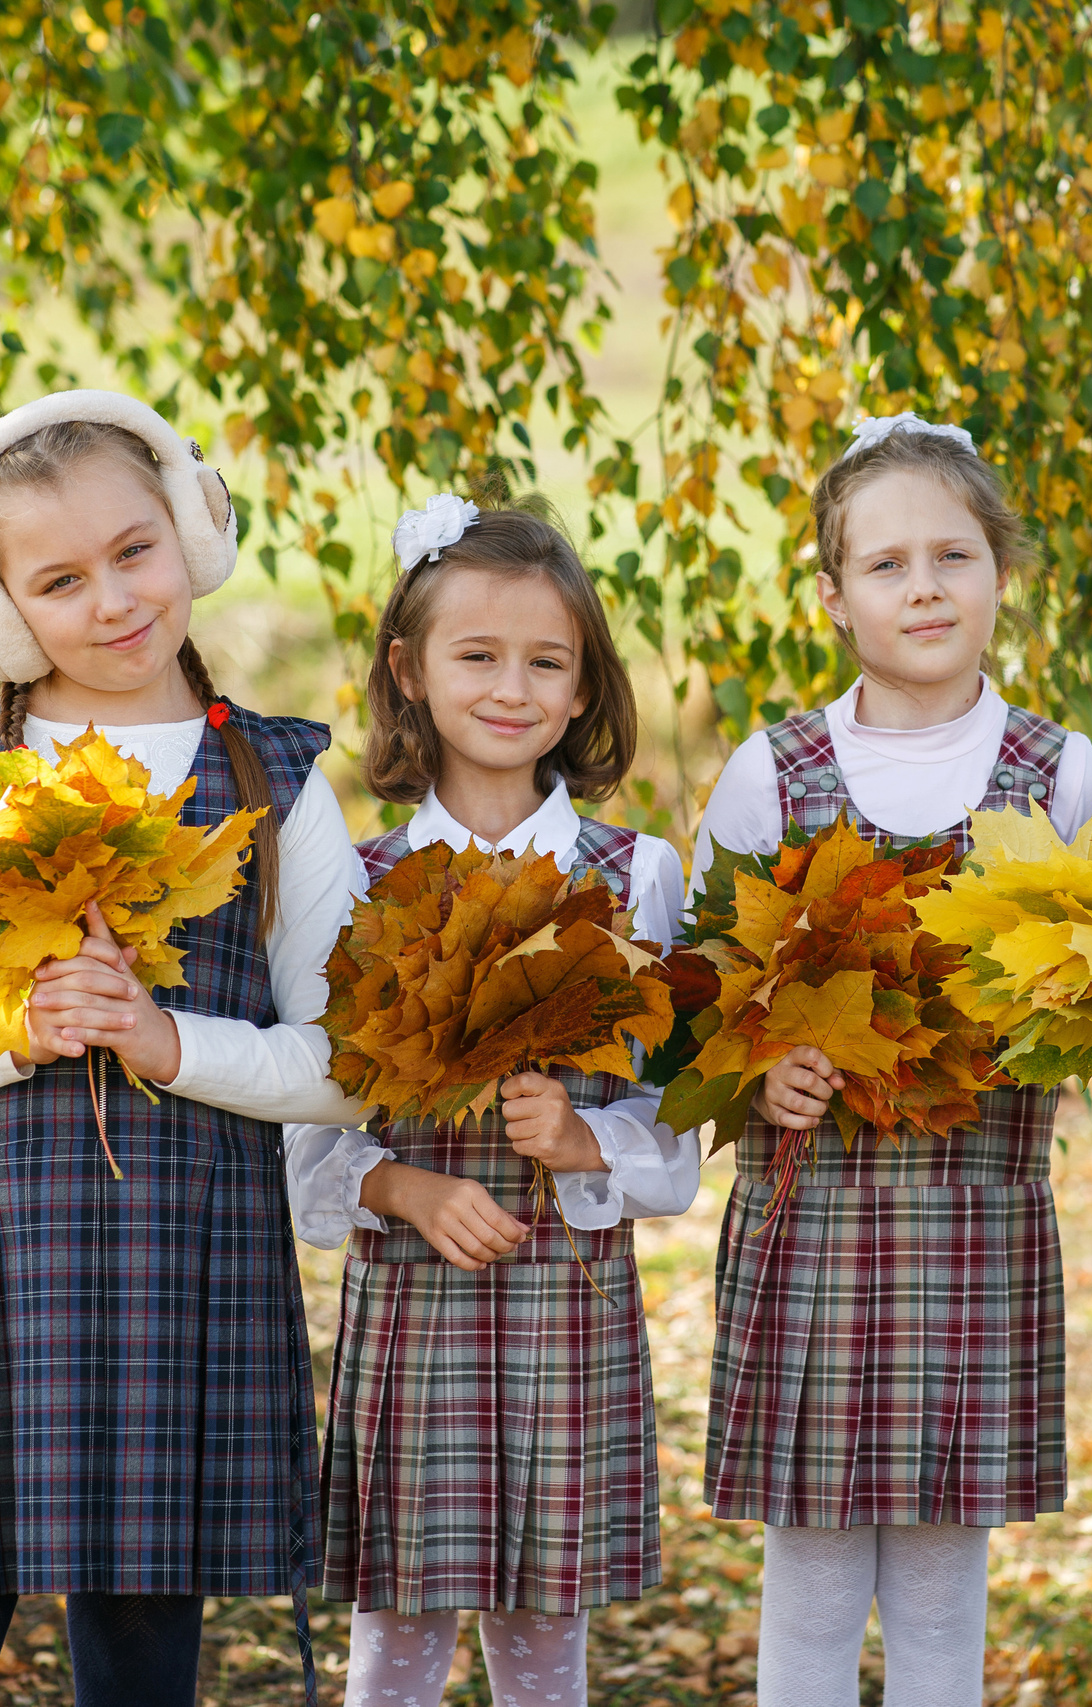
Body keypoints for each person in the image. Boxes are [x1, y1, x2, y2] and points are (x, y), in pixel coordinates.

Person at [0, 391, 369, 1707]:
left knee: (138, 1632)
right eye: (58, 580)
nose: (112, 599)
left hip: (187, 1251)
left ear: (192, 533)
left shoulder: (278, 783)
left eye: (135, 550)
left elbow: (348, 1061)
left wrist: (169, 1040)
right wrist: (16, 1028)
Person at [691, 415, 1092, 1705]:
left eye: (952, 555)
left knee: (942, 1582)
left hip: (976, 1221)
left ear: (1000, 571)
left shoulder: (1061, 775)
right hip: (809, 1223)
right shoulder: (774, 772)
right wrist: (759, 1067)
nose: (923, 586)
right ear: (833, 595)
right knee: (811, 1575)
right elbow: (697, 996)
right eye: (886, 564)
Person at [288, 494, 700, 1707]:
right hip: (415, 1307)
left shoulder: (635, 878)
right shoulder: (359, 883)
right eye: (477, 655)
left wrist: (582, 1140)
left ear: (582, 690)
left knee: (541, 1635)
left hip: (563, 1306)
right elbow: (308, 1135)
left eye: (545, 661)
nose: (510, 686)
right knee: (397, 1635)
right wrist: (401, 1185)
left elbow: (676, 1128)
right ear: (409, 672)